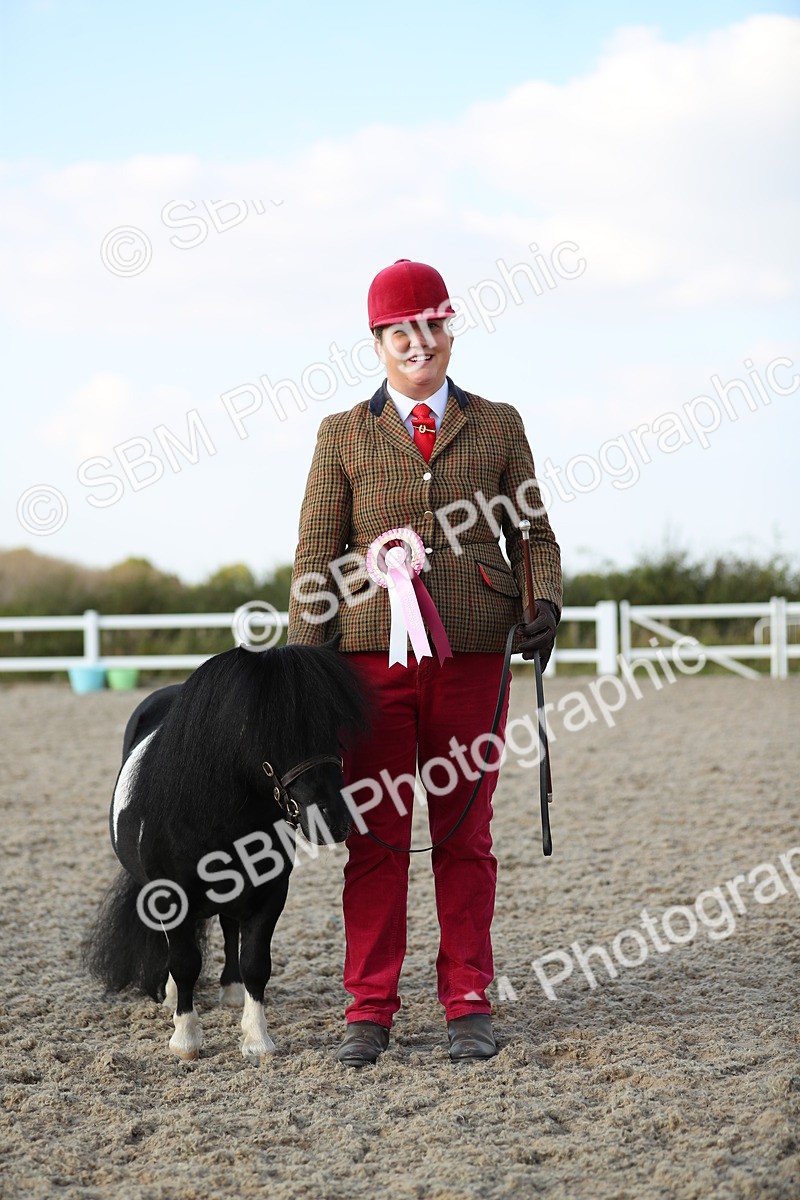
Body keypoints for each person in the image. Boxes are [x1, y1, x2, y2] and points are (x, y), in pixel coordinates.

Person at [287, 258, 562, 1065]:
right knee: (374, 837)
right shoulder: (341, 433)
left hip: (475, 651)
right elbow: (315, 552)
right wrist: (308, 665)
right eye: (401, 331)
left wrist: (543, 599)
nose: (420, 343)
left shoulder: (500, 422)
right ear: (377, 342)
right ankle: (368, 1009)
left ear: (451, 331)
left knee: (465, 832)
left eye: (432, 326)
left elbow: (532, 535)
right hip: (370, 658)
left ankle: (467, 999)